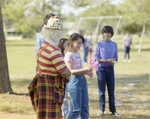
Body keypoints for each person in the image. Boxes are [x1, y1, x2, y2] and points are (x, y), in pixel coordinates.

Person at [28, 16, 71, 119]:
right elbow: (64, 72)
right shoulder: (53, 50)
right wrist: (69, 74)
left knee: (44, 116)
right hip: (51, 88)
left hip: (43, 86)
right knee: (52, 116)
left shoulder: (44, 45)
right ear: (57, 33)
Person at [64, 33, 93, 119]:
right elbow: (70, 72)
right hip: (74, 82)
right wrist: (84, 70)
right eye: (78, 43)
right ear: (72, 42)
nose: (80, 45)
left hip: (82, 81)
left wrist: (86, 72)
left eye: (81, 43)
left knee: (85, 108)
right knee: (75, 110)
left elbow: (78, 68)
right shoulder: (68, 55)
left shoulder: (77, 53)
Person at [94, 25, 120, 117]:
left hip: (110, 69)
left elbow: (116, 57)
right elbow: (96, 58)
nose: (107, 34)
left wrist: (114, 60)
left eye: (108, 33)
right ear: (103, 34)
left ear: (111, 34)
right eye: (105, 33)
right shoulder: (99, 44)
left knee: (111, 90)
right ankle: (102, 109)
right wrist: (106, 61)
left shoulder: (114, 44)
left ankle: (113, 110)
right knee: (102, 91)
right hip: (101, 69)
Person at [58, 38, 69, 118]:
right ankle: (64, 113)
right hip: (62, 78)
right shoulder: (59, 55)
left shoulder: (68, 54)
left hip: (68, 78)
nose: (67, 45)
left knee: (66, 96)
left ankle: (66, 112)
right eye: (66, 44)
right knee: (64, 96)